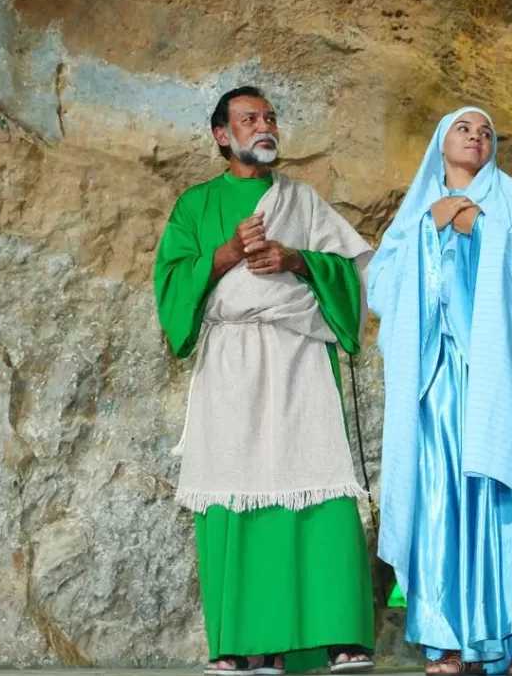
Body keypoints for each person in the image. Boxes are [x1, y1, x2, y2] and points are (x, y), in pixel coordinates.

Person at [367, 107, 512, 676]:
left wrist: (482, 227)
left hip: (497, 379)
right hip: (437, 381)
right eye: (463, 129)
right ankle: (445, 642)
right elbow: (381, 282)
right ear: (440, 142)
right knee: (439, 498)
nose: (476, 137)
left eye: (486, 133)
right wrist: (431, 228)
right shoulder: (417, 208)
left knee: (510, 494)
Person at [153, 86, 376, 676]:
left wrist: (297, 260)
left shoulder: (303, 201)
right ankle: (248, 643)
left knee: (320, 485)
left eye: (270, 117)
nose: (264, 126)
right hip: (231, 363)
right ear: (223, 135)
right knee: (235, 488)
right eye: (249, 119)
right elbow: (172, 287)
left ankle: (341, 636)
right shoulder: (195, 206)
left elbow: (352, 276)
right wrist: (225, 254)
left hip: (298, 356)